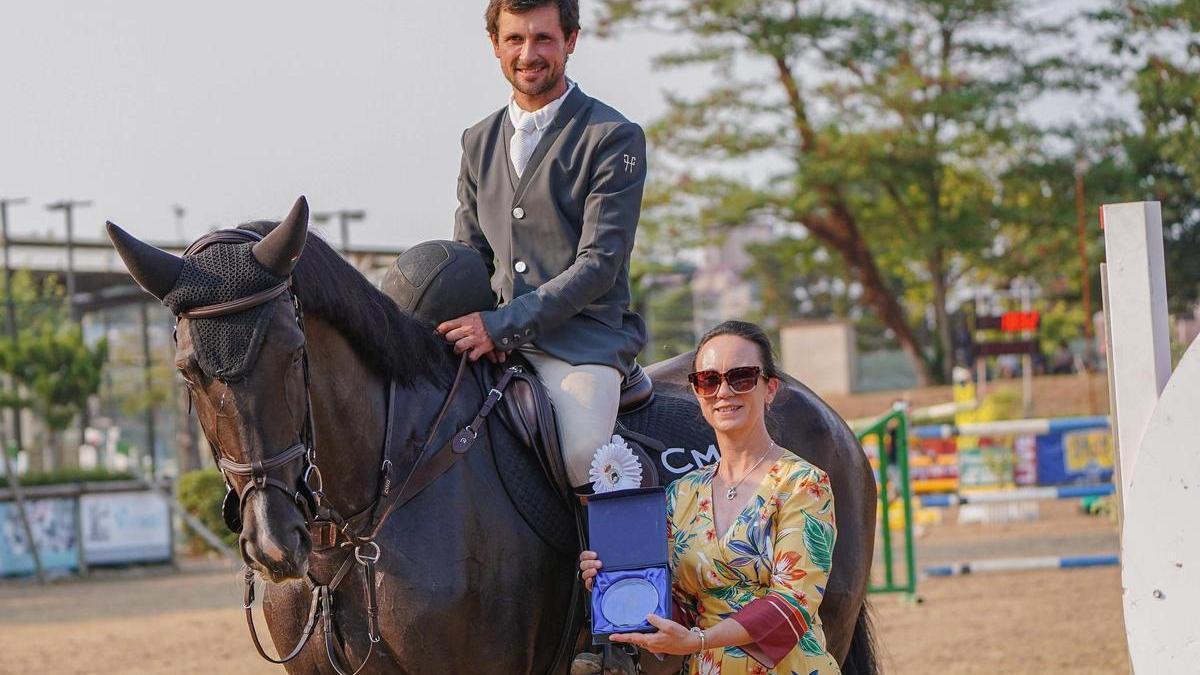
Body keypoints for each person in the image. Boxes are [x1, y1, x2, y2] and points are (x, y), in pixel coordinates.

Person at [438, 0, 648, 490]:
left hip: (582, 347)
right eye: (515, 39)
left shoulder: (614, 136)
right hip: (491, 345)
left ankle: (618, 567)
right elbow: (469, 255)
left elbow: (599, 264)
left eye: (543, 39)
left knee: (584, 458)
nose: (528, 54)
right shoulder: (477, 140)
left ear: (571, 41)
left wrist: (501, 325)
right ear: (495, 45)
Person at [580, 321, 841, 674]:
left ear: (770, 389)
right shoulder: (682, 494)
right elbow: (679, 608)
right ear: (697, 392)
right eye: (708, 380)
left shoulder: (804, 484)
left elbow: (793, 602)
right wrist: (616, 584)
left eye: (742, 377)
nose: (723, 391)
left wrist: (701, 640)